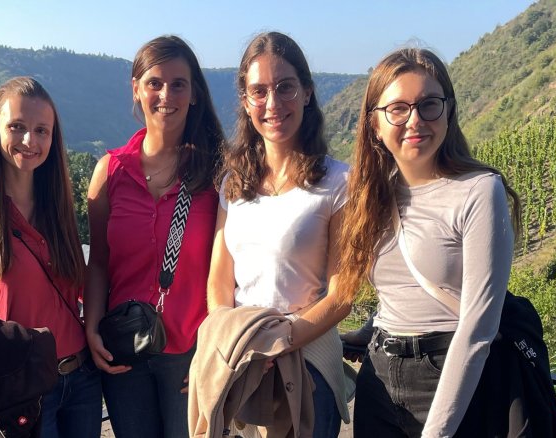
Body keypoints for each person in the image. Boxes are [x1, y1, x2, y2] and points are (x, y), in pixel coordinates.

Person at [336, 47, 522, 437]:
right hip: (379, 377)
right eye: (398, 108)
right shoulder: (372, 196)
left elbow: (477, 329)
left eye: (428, 104)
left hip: (448, 378)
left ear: (448, 111)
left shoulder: (478, 191)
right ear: (375, 124)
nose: (415, 120)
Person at [206, 31, 353, 438]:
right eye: (259, 91)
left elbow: (343, 292)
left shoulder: (339, 181)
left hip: (307, 361)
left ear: (307, 92)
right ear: (245, 100)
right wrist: (230, 338)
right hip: (241, 361)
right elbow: (220, 279)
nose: (273, 104)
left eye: (285, 87)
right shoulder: (233, 183)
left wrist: (281, 339)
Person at [0, 76, 102, 438]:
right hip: (23, 389)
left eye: (42, 130)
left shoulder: (57, 209)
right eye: (17, 127)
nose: (30, 141)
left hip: (82, 379)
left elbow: (78, 287)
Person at [83, 35, 224, 438]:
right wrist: (92, 328)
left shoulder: (217, 174)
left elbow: (231, 268)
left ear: (194, 93)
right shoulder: (110, 171)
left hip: (190, 352)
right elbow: (99, 263)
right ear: (136, 89)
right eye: (155, 83)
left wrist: (215, 349)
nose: (166, 94)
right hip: (122, 348)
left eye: (179, 83)